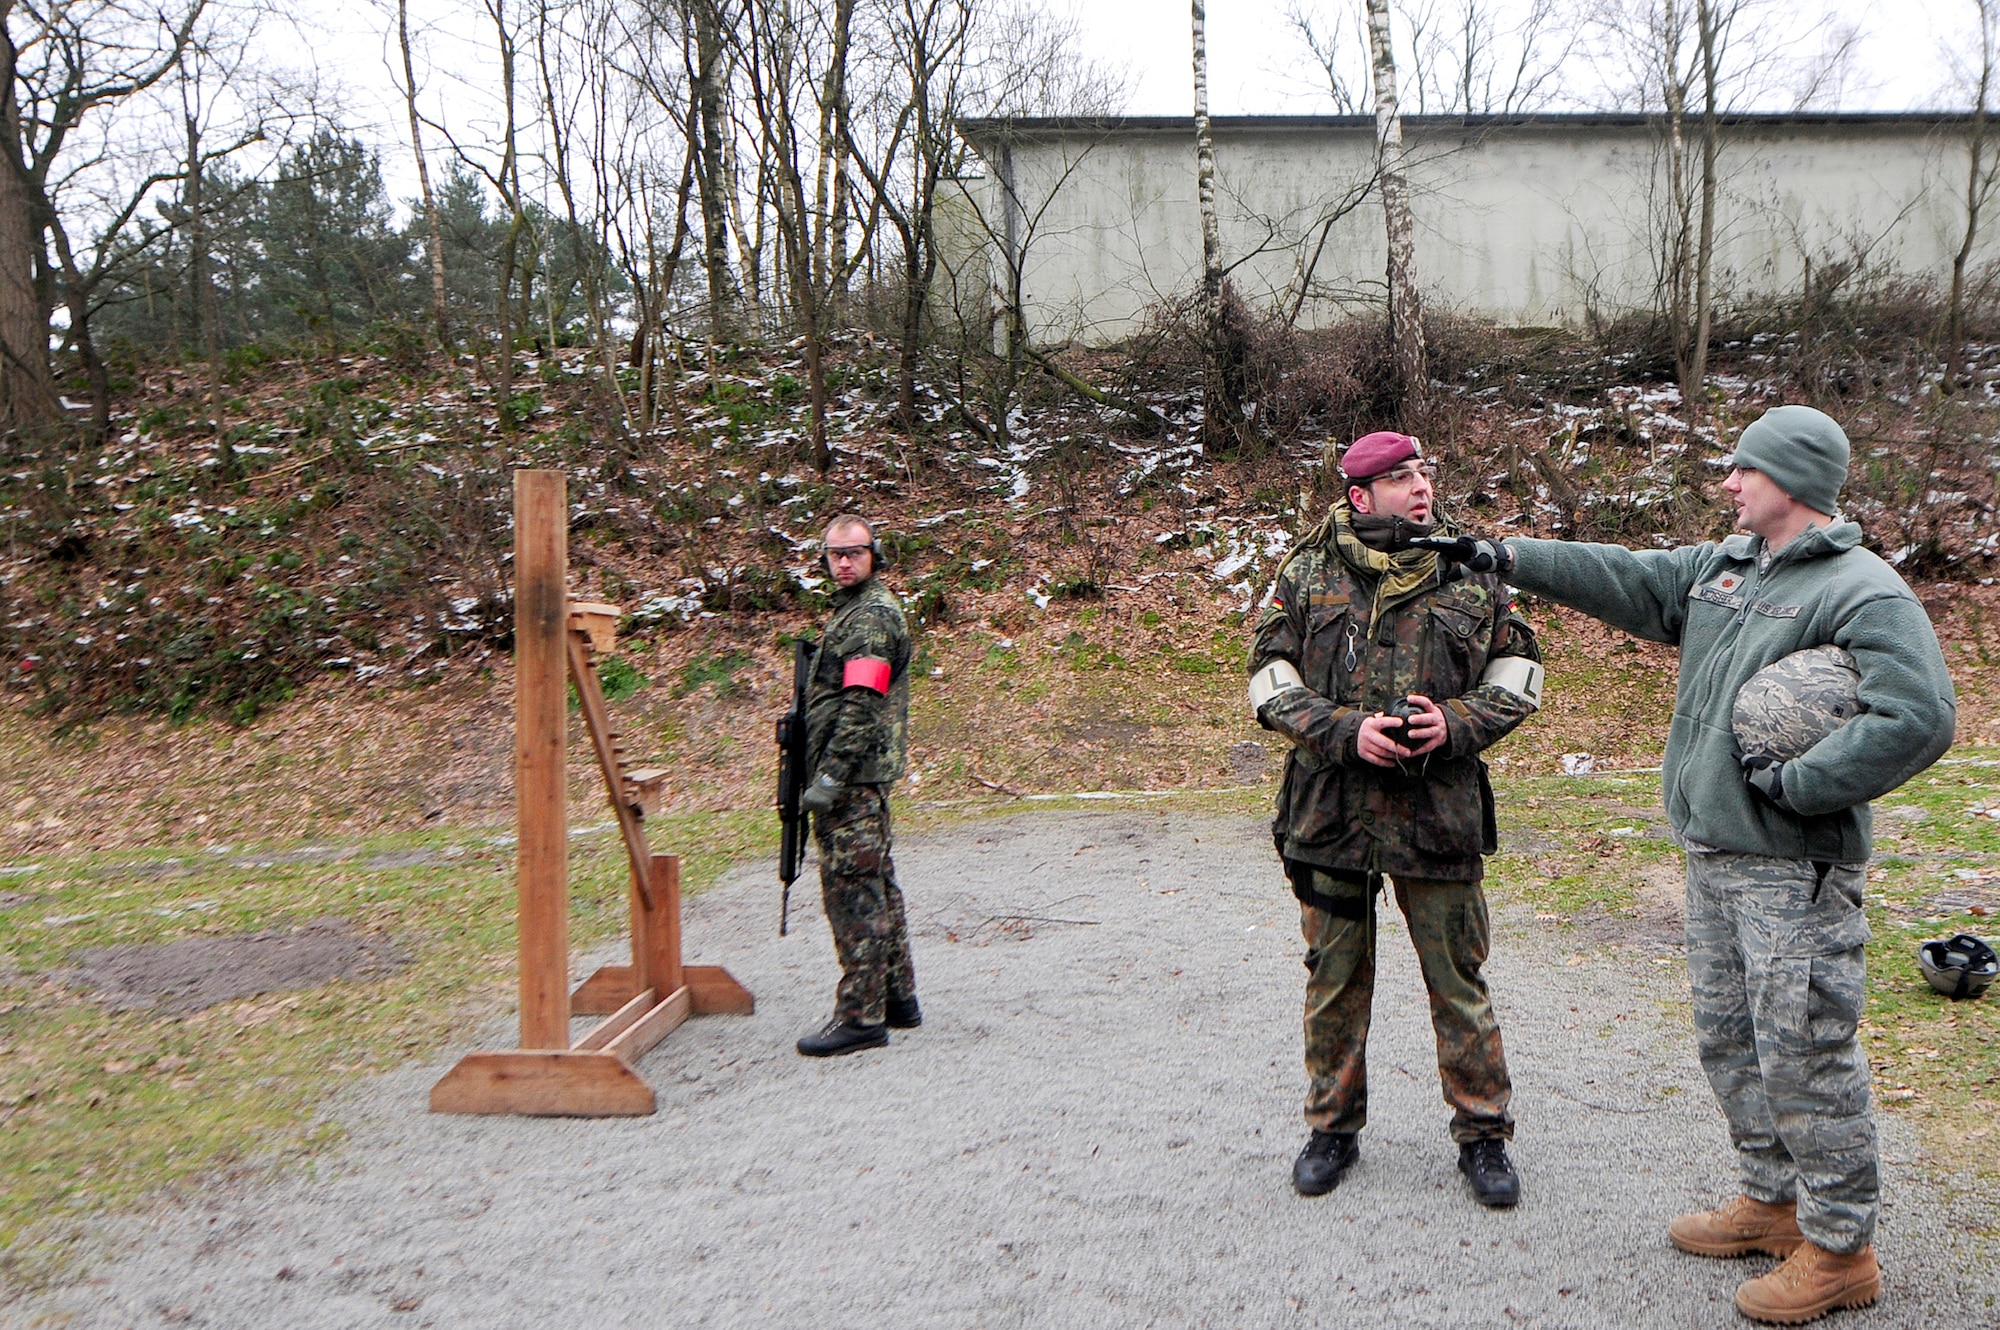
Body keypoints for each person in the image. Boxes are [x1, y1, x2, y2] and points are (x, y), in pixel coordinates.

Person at [1425, 405, 1956, 1323]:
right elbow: (1631, 579)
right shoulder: (1727, 567)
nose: (1729, 483)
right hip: (1714, 854)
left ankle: (1841, 1250)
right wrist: (1505, 555)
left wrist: (1801, 783)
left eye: (1743, 470)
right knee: (1730, 1039)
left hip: (1795, 867)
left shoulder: (1861, 590)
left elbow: (1920, 717)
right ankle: (1770, 1200)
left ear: (1789, 480)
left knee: (1805, 1051)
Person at [1247, 431, 1545, 1207]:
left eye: (1424, 472)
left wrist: (1457, 722)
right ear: (1359, 496)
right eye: (1401, 476)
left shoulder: (1470, 573)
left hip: (1436, 814)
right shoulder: (1306, 572)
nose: (1421, 486)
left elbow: (1520, 673)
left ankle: (1483, 1137)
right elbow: (1267, 678)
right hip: (1331, 816)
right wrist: (1343, 731)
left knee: (1458, 981)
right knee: (1333, 979)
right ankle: (1332, 1128)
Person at [794, 514, 920, 1057]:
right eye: (834, 554)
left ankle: (861, 1016)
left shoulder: (868, 618)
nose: (844, 562)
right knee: (877, 883)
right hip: (859, 775)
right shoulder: (852, 612)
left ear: (875, 555)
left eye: (855, 552)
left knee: (853, 892)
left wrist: (828, 776)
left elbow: (861, 706)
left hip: (851, 777)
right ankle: (896, 996)